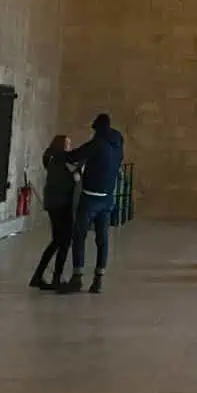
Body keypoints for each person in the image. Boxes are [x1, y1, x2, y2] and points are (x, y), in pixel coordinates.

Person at [63, 113, 125, 293]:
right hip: (107, 198)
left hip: (90, 197)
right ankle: (98, 279)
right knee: (102, 239)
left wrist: (60, 154)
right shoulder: (118, 144)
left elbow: (75, 156)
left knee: (79, 235)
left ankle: (77, 277)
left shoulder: (98, 143)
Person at [29, 133, 77, 291]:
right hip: (61, 204)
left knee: (57, 241)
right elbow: (71, 178)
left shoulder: (52, 159)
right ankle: (56, 277)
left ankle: (39, 275)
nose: (70, 147)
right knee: (63, 241)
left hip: (55, 204)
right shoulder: (59, 160)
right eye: (67, 144)